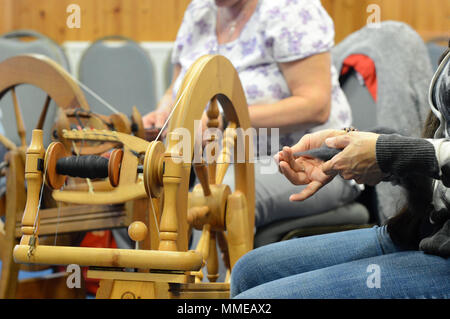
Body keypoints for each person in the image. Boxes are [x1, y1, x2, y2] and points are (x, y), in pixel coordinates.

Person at [229, 46, 450, 298]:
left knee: (256, 302)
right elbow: (436, 163)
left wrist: (387, 152)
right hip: (426, 231)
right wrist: (352, 146)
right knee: (250, 270)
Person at [143, 0, 360, 228]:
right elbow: (177, 87)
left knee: (217, 199)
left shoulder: (291, 8)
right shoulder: (199, 11)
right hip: (210, 164)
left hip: (306, 163)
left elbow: (315, 106)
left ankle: (200, 265)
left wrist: (224, 117)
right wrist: (163, 112)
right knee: (134, 187)